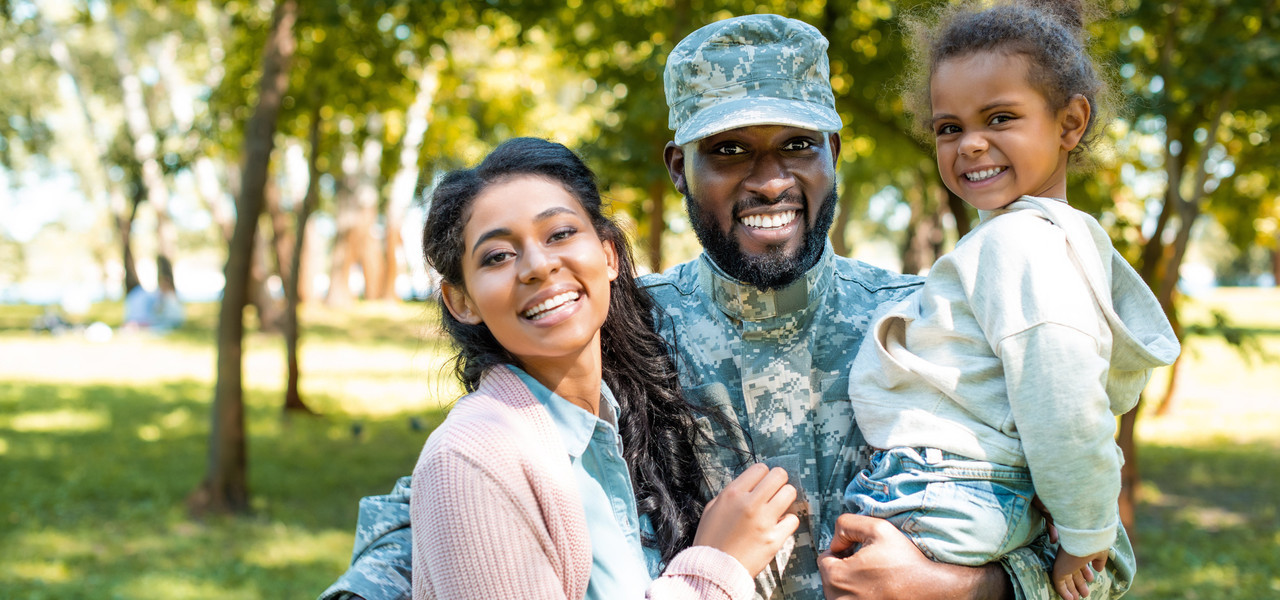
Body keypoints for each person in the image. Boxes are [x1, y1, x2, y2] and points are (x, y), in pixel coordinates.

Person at [320, 14, 1136, 600]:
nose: (769, 178)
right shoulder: (618, 329)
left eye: (797, 146)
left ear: (834, 156)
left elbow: (1101, 557)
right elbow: (448, 499)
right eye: (729, 152)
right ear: (680, 167)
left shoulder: (924, 325)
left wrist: (961, 588)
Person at [840, 2, 1179, 600]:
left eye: (999, 118)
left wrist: (1086, 529)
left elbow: (1063, 398)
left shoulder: (1020, 243)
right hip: (971, 491)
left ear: (1070, 123)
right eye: (950, 127)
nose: (970, 144)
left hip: (950, 491)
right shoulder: (1041, 241)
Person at [410, 136, 798, 599]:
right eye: (498, 256)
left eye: (560, 234)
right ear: (461, 301)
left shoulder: (619, 425)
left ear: (609, 255)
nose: (538, 265)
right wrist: (717, 567)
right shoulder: (470, 460)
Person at [122, 256, 185, 332]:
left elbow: (162, 314)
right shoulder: (156, 295)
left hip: (167, 322)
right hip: (161, 321)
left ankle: (133, 326)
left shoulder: (168, 297)